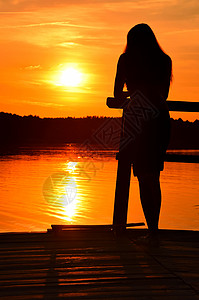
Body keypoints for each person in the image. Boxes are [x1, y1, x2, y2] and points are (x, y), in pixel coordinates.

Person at [113, 23, 172, 237]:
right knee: (153, 176)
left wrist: (132, 96)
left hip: (137, 121)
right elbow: (163, 94)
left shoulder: (126, 60)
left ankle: (152, 231)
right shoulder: (164, 61)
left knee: (143, 176)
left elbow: (117, 94)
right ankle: (154, 230)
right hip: (159, 119)